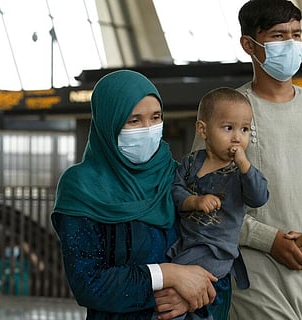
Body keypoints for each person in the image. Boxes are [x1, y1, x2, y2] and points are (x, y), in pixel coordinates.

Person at [192, 1, 302, 319]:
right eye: (277, 35)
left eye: (296, 35)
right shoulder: (226, 114)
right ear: (249, 44)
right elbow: (200, 202)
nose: (290, 44)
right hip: (255, 282)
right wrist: (268, 240)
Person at [51, 70, 221, 320]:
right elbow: (89, 283)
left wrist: (191, 296)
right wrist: (168, 275)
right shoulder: (81, 187)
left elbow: (220, 252)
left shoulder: (179, 177)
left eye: (155, 118)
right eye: (134, 121)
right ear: (109, 123)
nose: (149, 129)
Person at [168, 87, 269, 319]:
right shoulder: (191, 162)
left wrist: (245, 166)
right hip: (187, 245)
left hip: (215, 252)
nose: (237, 137)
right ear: (203, 130)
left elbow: (259, 197)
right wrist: (194, 201)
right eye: (228, 128)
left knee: (174, 290)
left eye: (244, 129)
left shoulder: (240, 172)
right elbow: (175, 191)